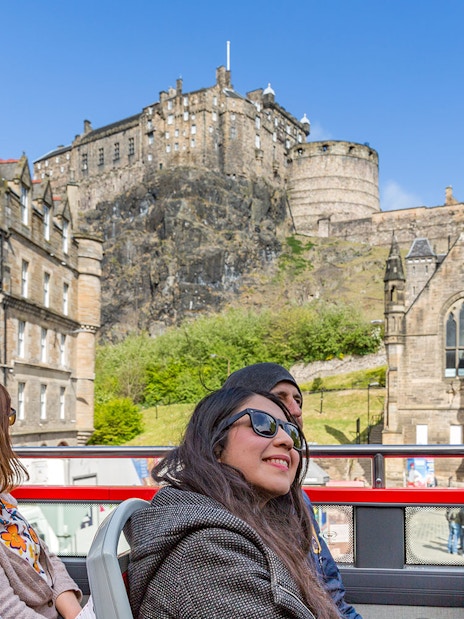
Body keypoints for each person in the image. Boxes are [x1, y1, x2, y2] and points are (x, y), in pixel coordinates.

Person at [126, 387, 340, 618]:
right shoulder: (207, 553)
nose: (288, 440)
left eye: (293, 432)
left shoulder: (250, 532)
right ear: (216, 444)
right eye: (263, 424)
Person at [223, 362, 362, 619]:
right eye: (279, 398)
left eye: (299, 401)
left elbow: (331, 591)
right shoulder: (216, 531)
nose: (296, 410)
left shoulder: (298, 499)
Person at [0, 384, 83, 619]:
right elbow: (8, 611)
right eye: (7, 416)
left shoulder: (5, 501)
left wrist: (75, 614)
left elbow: (45, 559)